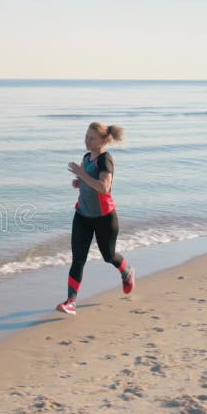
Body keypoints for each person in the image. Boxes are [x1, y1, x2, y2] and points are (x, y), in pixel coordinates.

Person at [57, 122, 135, 315]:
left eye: (92, 138)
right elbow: (87, 181)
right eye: (86, 136)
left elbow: (104, 187)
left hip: (104, 218)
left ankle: (127, 271)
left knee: (109, 256)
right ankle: (71, 302)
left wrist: (82, 174)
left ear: (103, 140)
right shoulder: (86, 157)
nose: (87, 140)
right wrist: (79, 181)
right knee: (78, 259)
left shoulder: (105, 160)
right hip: (82, 215)